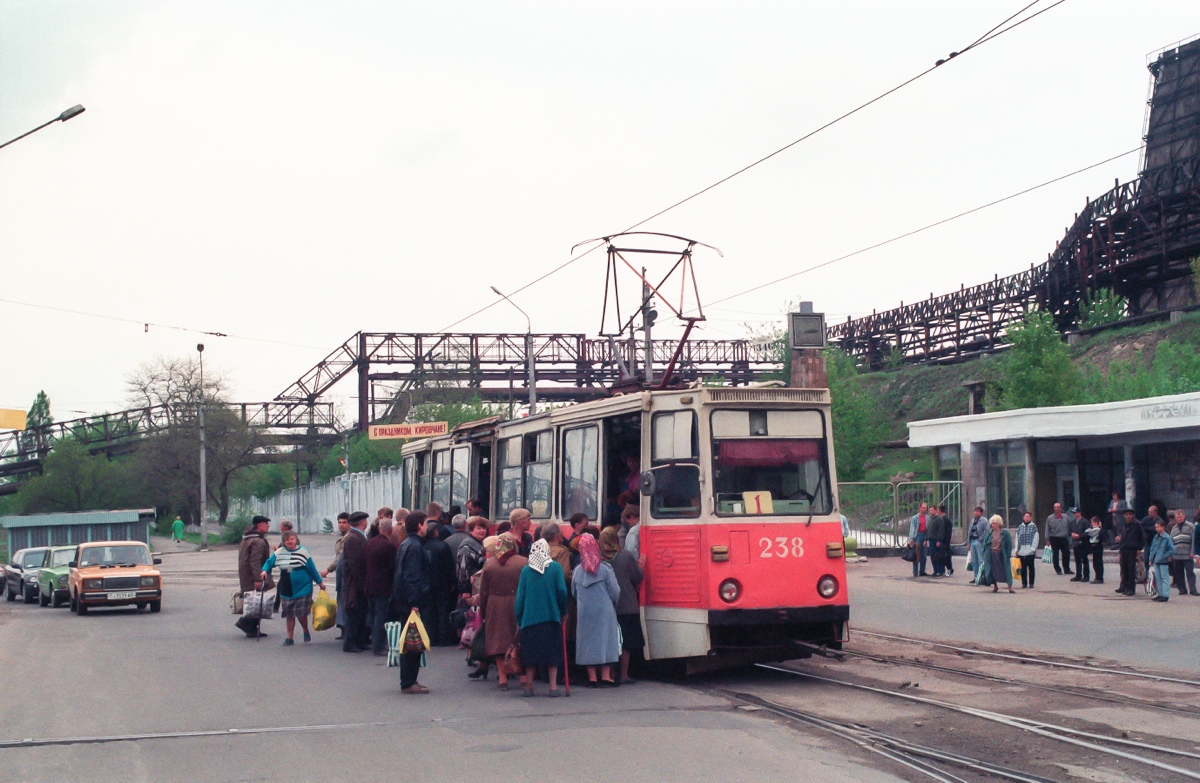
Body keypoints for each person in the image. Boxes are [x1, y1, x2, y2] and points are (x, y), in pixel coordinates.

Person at [514, 539, 569, 697]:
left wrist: (519, 617)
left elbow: (520, 598)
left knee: (530, 654)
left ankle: (529, 686)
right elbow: (562, 592)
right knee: (552, 653)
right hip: (551, 617)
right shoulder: (555, 568)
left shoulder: (526, 571)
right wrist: (563, 610)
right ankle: (553, 687)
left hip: (529, 619)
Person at [478, 533, 528, 691]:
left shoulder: (489, 564)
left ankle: (502, 678)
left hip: (495, 605)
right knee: (518, 639)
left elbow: (483, 591)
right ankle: (523, 677)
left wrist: (484, 611)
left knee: (498, 641)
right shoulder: (523, 563)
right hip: (517, 602)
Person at [572, 532, 621, 686]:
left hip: (584, 611)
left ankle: (592, 677)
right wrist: (613, 603)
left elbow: (573, 592)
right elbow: (615, 591)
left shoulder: (577, 571)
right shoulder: (605, 569)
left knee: (586, 642)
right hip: (604, 610)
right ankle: (606, 676)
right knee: (606, 640)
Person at [392, 511, 433, 694]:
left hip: (405, 599)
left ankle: (409, 680)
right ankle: (409, 681)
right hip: (413, 601)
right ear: (419, 525)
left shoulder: (405, 544)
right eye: (425, 523)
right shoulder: (415, 546)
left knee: (410, 640)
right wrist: (414, 601)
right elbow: (413, 576)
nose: (427, 527)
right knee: (413, 641)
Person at [261, 530, 324, 646]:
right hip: (286, 586)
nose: (290, 542)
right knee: (289, 614)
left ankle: (305, 630)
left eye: (292, 539)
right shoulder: (279, 552)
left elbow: (312, 569)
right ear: (283, 542)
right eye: (287, 540)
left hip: (303, 587)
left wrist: (320, 582)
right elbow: (269, 563)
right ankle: (289, 638)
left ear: (295, 540)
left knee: (301, 613)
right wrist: (264, 571)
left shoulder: (303, 552)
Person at [601, 527, 644, 684]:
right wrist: (640, 565)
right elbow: (637, 576)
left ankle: (610, 673)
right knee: (626, 643)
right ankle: (624, 674)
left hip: (608, 606)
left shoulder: (600, 558)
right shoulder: (626, 556)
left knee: (611, 641)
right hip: (627, 604)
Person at [235, 516, 274, 638]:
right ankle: (245, 623)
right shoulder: (257, 541)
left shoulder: (247, 538)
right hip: (254, 576)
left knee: (254, 600)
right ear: (259, 525)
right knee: (256, 601)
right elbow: (255, 561)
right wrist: (258, 579)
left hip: (246, 575)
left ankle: (251, 628)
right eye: (265, 524)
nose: (268, 526)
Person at [365, 518, 398, 655]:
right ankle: (378, 646)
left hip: (370, 585)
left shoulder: (371, 543)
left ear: (379, 529)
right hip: (383, 586)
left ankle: (375, 641)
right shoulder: (388, 546)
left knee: (373, 615)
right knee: (381, 616)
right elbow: (392, 567)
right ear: (390, 530)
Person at [423, 521, 457, 646]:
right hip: (442, 583)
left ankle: (431, 636)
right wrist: (452, 582)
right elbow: (449, 567)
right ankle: (443, 637)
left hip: (428, 583)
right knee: (442, 610)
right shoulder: (443, 546)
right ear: (436, 532)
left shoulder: (423, 546)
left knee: (429, 610)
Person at [341, 511, 371, 653]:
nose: (366, 522)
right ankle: (350, 642)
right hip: (354, 584)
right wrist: (361, 585)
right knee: (354, 613)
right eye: (365, 520)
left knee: (360, 613)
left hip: (356, 582)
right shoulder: (353, 538)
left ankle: (358, 640)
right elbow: (356, 564)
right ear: (361, 522)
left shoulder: (357, 536)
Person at [322, 512, 351, 640]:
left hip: (345, 574)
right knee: (341, 599)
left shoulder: (349, 537)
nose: (341, 525)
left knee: (345, 601)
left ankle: (346, 629)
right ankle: (343, 629)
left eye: (344, 522)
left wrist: (328, 569)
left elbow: (340, 557)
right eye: (339, 522)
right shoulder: (344, 537)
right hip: (341, 574)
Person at [978, 515, 1015, 593]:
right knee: (992, 571)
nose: (992, 525)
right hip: (991, 554)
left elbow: (1009, 544)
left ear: (998, 523)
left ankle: (1010, 587)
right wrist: (984, 552)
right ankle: (995, 586)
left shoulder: (1005, 533)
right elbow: (985, 543)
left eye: (994, 523)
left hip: (1001, 555)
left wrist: (1008, 554)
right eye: (991, 523)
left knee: (1006, 570)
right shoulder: (989, 533)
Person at [1115, 507, 1144, 596]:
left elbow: (1142, 537)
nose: (1128, 516)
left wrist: (1139, 548)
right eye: (1126, 515)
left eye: (1130, 514)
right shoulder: (1124, 525)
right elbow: (1122, 537)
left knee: (1131, 570)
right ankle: (1125, 587)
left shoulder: (1137, 524)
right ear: (1124, 516)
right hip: (1124, 549)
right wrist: (1120, 550)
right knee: (1124, 570)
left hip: (1132, 549)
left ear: (1133, 515)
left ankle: (1131, 589)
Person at [1169, 509, 1198, 596]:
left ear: (1184, 516)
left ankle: (1193, 589)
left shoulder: (1190, 526)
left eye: (1180, 516)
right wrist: (1170, 554)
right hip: (1177, 555)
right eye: (1177, 517)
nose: (1179, 518)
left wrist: (1192, 551)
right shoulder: (1174, 529)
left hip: (1187, 554)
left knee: (1190, 572)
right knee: (1178, 573)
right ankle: (1182, 590)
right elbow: (1171, 542)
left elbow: (1194, 540)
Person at [457, 517, 488, 597]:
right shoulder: (467, 547)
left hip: (478, 586)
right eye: (478, 528)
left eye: (484, 528)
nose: (482, 531)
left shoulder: (480, 544)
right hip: (471, 589)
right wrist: (465, 590)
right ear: (471, 531)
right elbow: (463, 569)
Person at [1148, 518, 1174, 603]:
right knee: (1158, 578)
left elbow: (1171, 549)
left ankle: (1165, 595)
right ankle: (1160, 594)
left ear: (1163, 527)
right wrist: (1150, 559)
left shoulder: (1166, 538)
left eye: (1158, 527)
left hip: (1163, 561)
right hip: (1156, 560)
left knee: (1164, 578)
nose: (1157, 529)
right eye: (1156, 527)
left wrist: (1164, 556)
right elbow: (1152, 549)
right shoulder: (1156, 537)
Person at [1045, 503, 1073, 576]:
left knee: (1066, 553)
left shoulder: (1066, 517)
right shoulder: (1050, 518)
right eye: (1055, 507)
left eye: (1058, 507)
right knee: (1055, 555)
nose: (1056, 509)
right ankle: (1058, 569)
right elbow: (1047, 529)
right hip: (1054, 538)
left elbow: (1071, 525)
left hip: (1064, 538)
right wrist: (1047, 539)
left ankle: (1067, 569)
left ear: (1061, 508)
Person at [1015, 511, 1039, 589]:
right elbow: (1017, 538)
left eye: (1028, 516)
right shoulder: (1020, 527)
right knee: (1023, 568)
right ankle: (1024, 583)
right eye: (1026, 516)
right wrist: (1016, 549)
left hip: (1030, 550)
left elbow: (1036, 538)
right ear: (1023, 517)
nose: (1027, 518)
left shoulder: (1033, 527)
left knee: (1031, 567)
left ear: (1030, 518)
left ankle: (1031, 583)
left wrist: (1033, 548)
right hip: (1021, 550)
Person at [907, 502, 930, 578]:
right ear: (920, 508)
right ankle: (915, 571)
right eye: (923, 507)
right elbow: (912, 529)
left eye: (925, 507)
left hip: (924, 535)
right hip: (917, 535)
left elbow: (928, 528)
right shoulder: (915, 518)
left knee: (924, 554)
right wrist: (911, 539)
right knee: (916, 554)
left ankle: (922, 571)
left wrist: (927, 538)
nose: (925, 509)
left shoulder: (927, 518)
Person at [1069, 507, 1091, 583]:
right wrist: (1071, 534)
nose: (1075, 514)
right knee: (1077, 560)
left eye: (1076, 513)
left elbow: (1088, 533)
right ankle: (1078, 575)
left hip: (1083, 543)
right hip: (1075, 543)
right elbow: (1069, 531)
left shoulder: (1085, 522)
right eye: (1074, 513)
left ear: (1080, 513)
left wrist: (1080, 536)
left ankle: (1086, 576)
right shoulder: (1072, 522)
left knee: (1084, 560)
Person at [967, 507, 988, 584]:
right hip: (972, 541)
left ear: (981, 513)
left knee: (981, 560)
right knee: (974, 560)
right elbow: (969, 532)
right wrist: (968, 543)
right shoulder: (972, 521)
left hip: (979, 542)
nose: (975, 513)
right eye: (974, 511)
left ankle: (983, 577)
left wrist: (980, 539)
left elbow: (986, 532)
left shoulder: (984, 521)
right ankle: (976, 577)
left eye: (977, 511)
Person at [927, 507, 947, 578]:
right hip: (931, 540)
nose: (930, 511)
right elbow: (928, 529)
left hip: (936, 540)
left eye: (931, 510)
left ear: (935, 510)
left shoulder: (939, 519)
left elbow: (941, 530)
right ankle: (935, 570)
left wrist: (939, 540)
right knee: (933, 556)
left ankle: (940, 571)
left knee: (938, 556)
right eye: (929, 510)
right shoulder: (931, 519)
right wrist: (925, 539)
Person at [1086, 516, 1105, 584]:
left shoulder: (1099, 530)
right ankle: (1097, 577)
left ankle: (1099, 577)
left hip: (1098, 546)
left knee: (1098, 562)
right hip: (1093, 546)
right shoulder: (1092, 529)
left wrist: (1100, 527)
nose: (1091, 524)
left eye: (1092, 522)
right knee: (1095, 562)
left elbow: (1103, 537)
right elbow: (1087, 532)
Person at [938, 504, 955, 576]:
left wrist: (945, 541)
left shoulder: (945, 520)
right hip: (945, 540)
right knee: (944, 555)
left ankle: (950, 569)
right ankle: (947, 569)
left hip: (945, 541)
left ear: (939, 510)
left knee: (946, 556)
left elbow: (947, 532)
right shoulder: (944, 519)